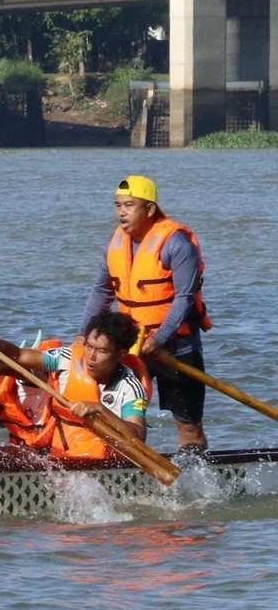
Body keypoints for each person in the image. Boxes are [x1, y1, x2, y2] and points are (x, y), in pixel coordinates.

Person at [84, 175, 211, 453]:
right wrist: (84, 334)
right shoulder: (114, 243)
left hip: (176, 349)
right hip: (132, 348)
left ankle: (197, 473)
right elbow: (101, 292)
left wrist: (160, 337)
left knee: (189, 427)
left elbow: (185, 297)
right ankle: (114, 463)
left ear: (150, 209)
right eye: (118, 205)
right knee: (115, 416)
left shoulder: (177, 243)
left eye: (129, 205)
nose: (122, 212)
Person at [0, 312, 149, 461]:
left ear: (121, 354)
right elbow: (19, 355)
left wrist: (101, 410)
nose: (91, 356)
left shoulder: (130, 387)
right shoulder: (66, 359)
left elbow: (138, 436)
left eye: (101, 351)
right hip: (61, 463)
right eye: (89, 346)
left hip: (106, 465)